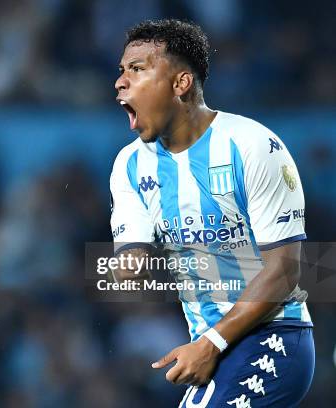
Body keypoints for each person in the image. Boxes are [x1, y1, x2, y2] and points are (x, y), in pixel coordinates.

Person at [109, 19, 314, 407]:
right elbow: (130, 259)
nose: (120, 81)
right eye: (121, 70)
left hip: (274, 336)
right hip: (210, 347)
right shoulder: (130, 165)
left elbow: (286, 271)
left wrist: (211, 343)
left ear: (180, 83)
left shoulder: (253, 145)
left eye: (137, 68)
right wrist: (129, 267)